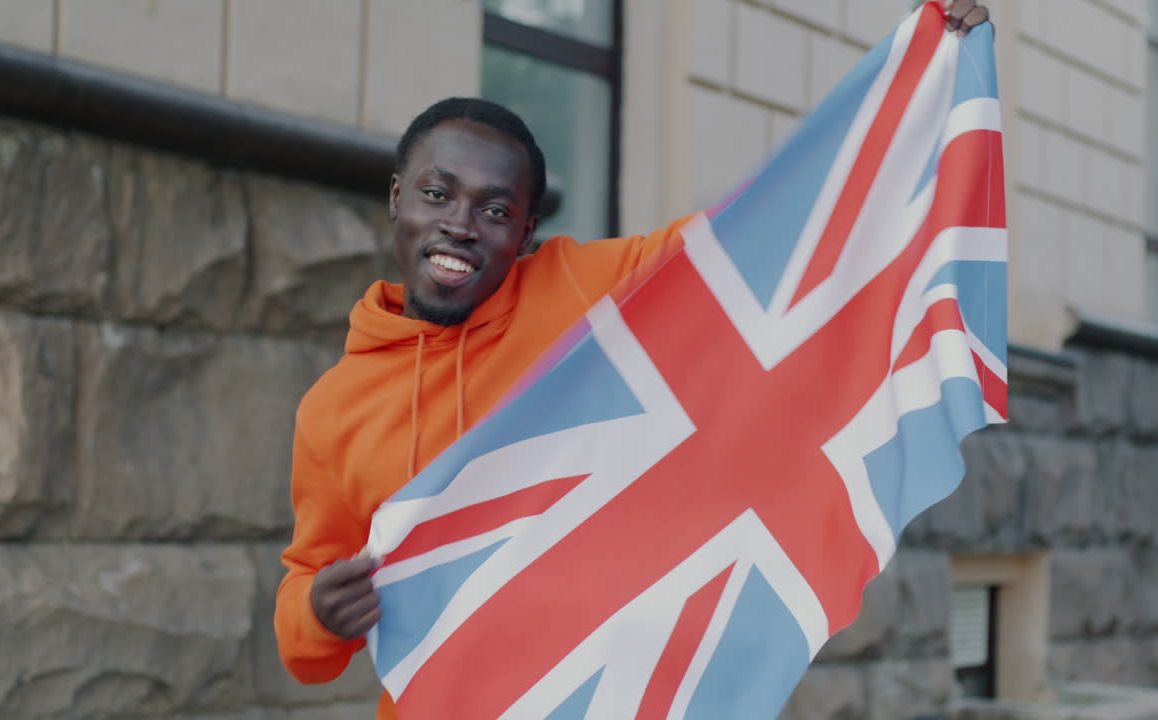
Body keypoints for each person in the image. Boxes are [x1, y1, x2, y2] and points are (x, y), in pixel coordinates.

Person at [274, 2, 991, 716]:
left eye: (495, 211)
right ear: (398, 197)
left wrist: (923, 75)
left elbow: (747, 245)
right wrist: (316, 613)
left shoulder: (583, 290)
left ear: (527, 230)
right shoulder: (335, 411)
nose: (460, 226)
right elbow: (305, 612)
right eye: (437, 195)